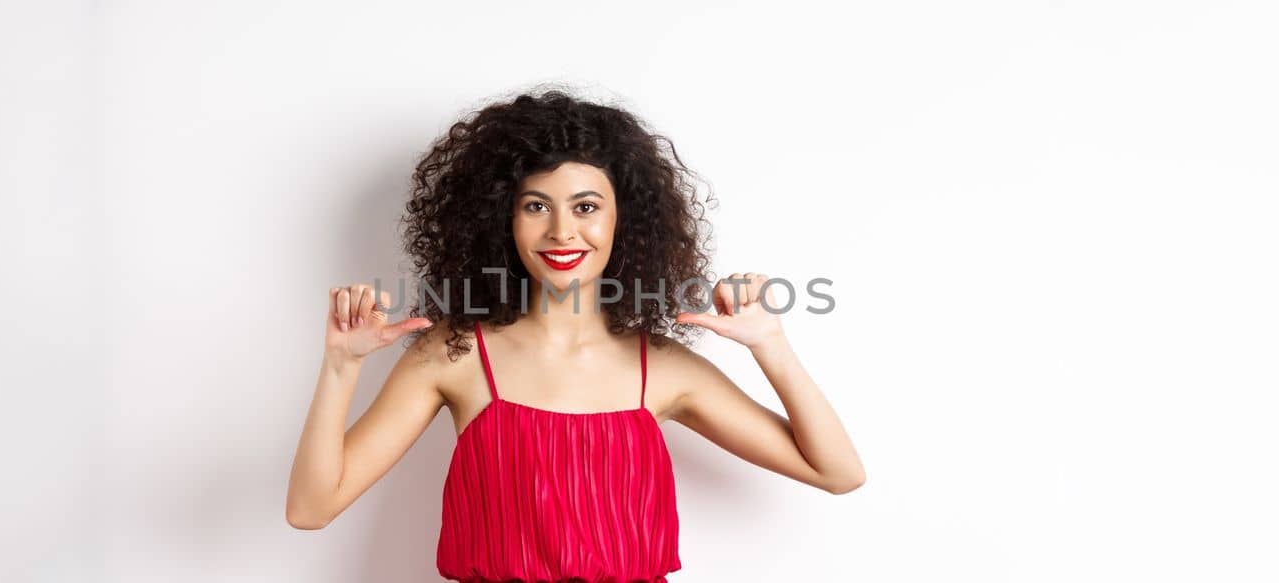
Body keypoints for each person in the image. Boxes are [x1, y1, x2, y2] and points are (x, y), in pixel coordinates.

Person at [285, 88, 865, 581]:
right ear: (502, 221)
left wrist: (771, 347)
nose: (562, 230)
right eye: (536, 206)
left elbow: (837, 472)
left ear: (623, 220)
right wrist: (340, 366)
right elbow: (311, 510)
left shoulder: (662, 369)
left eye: (586, 206)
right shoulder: (454, 353)